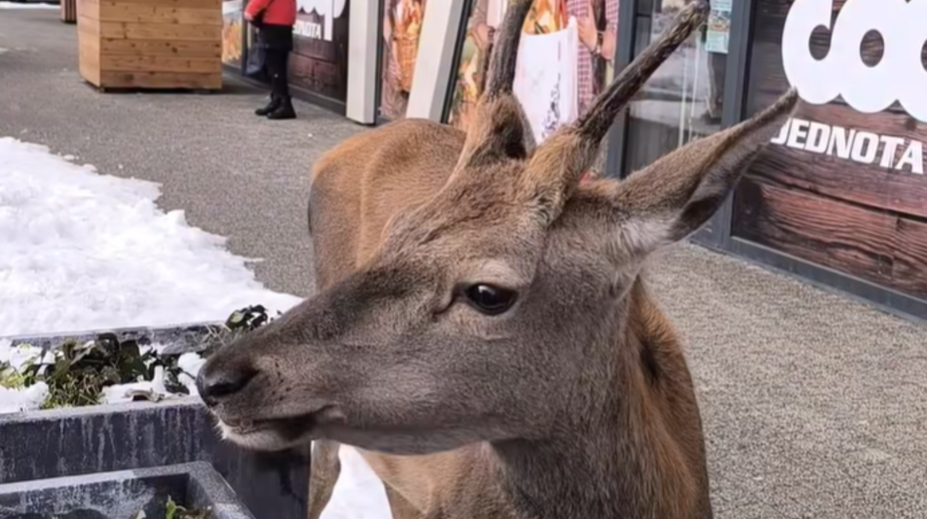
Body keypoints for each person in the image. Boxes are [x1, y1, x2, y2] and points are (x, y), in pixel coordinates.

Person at [245, 0, 297, 120]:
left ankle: (284, 104)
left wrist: (249, 12)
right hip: (283, 27)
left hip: (273, 27)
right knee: (277, 68)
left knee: (275, 69)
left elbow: (257, 3)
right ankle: (278, 101)